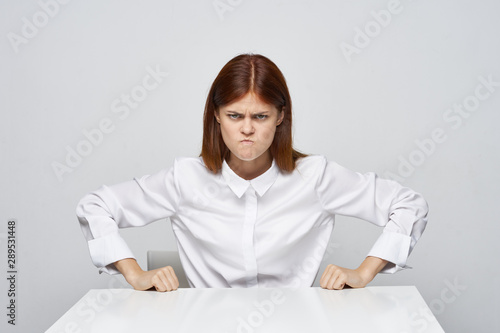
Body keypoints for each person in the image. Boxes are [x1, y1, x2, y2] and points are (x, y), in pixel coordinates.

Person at [76, 53, 428, 292]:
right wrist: (133, 273)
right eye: (235, 116)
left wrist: (365, 270)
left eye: (259, 117)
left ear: (280, 117)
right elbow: (95, 206)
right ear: (216, 115)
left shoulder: (314, 177)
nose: (247, 129)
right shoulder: (186, 179)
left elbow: (408, 204)